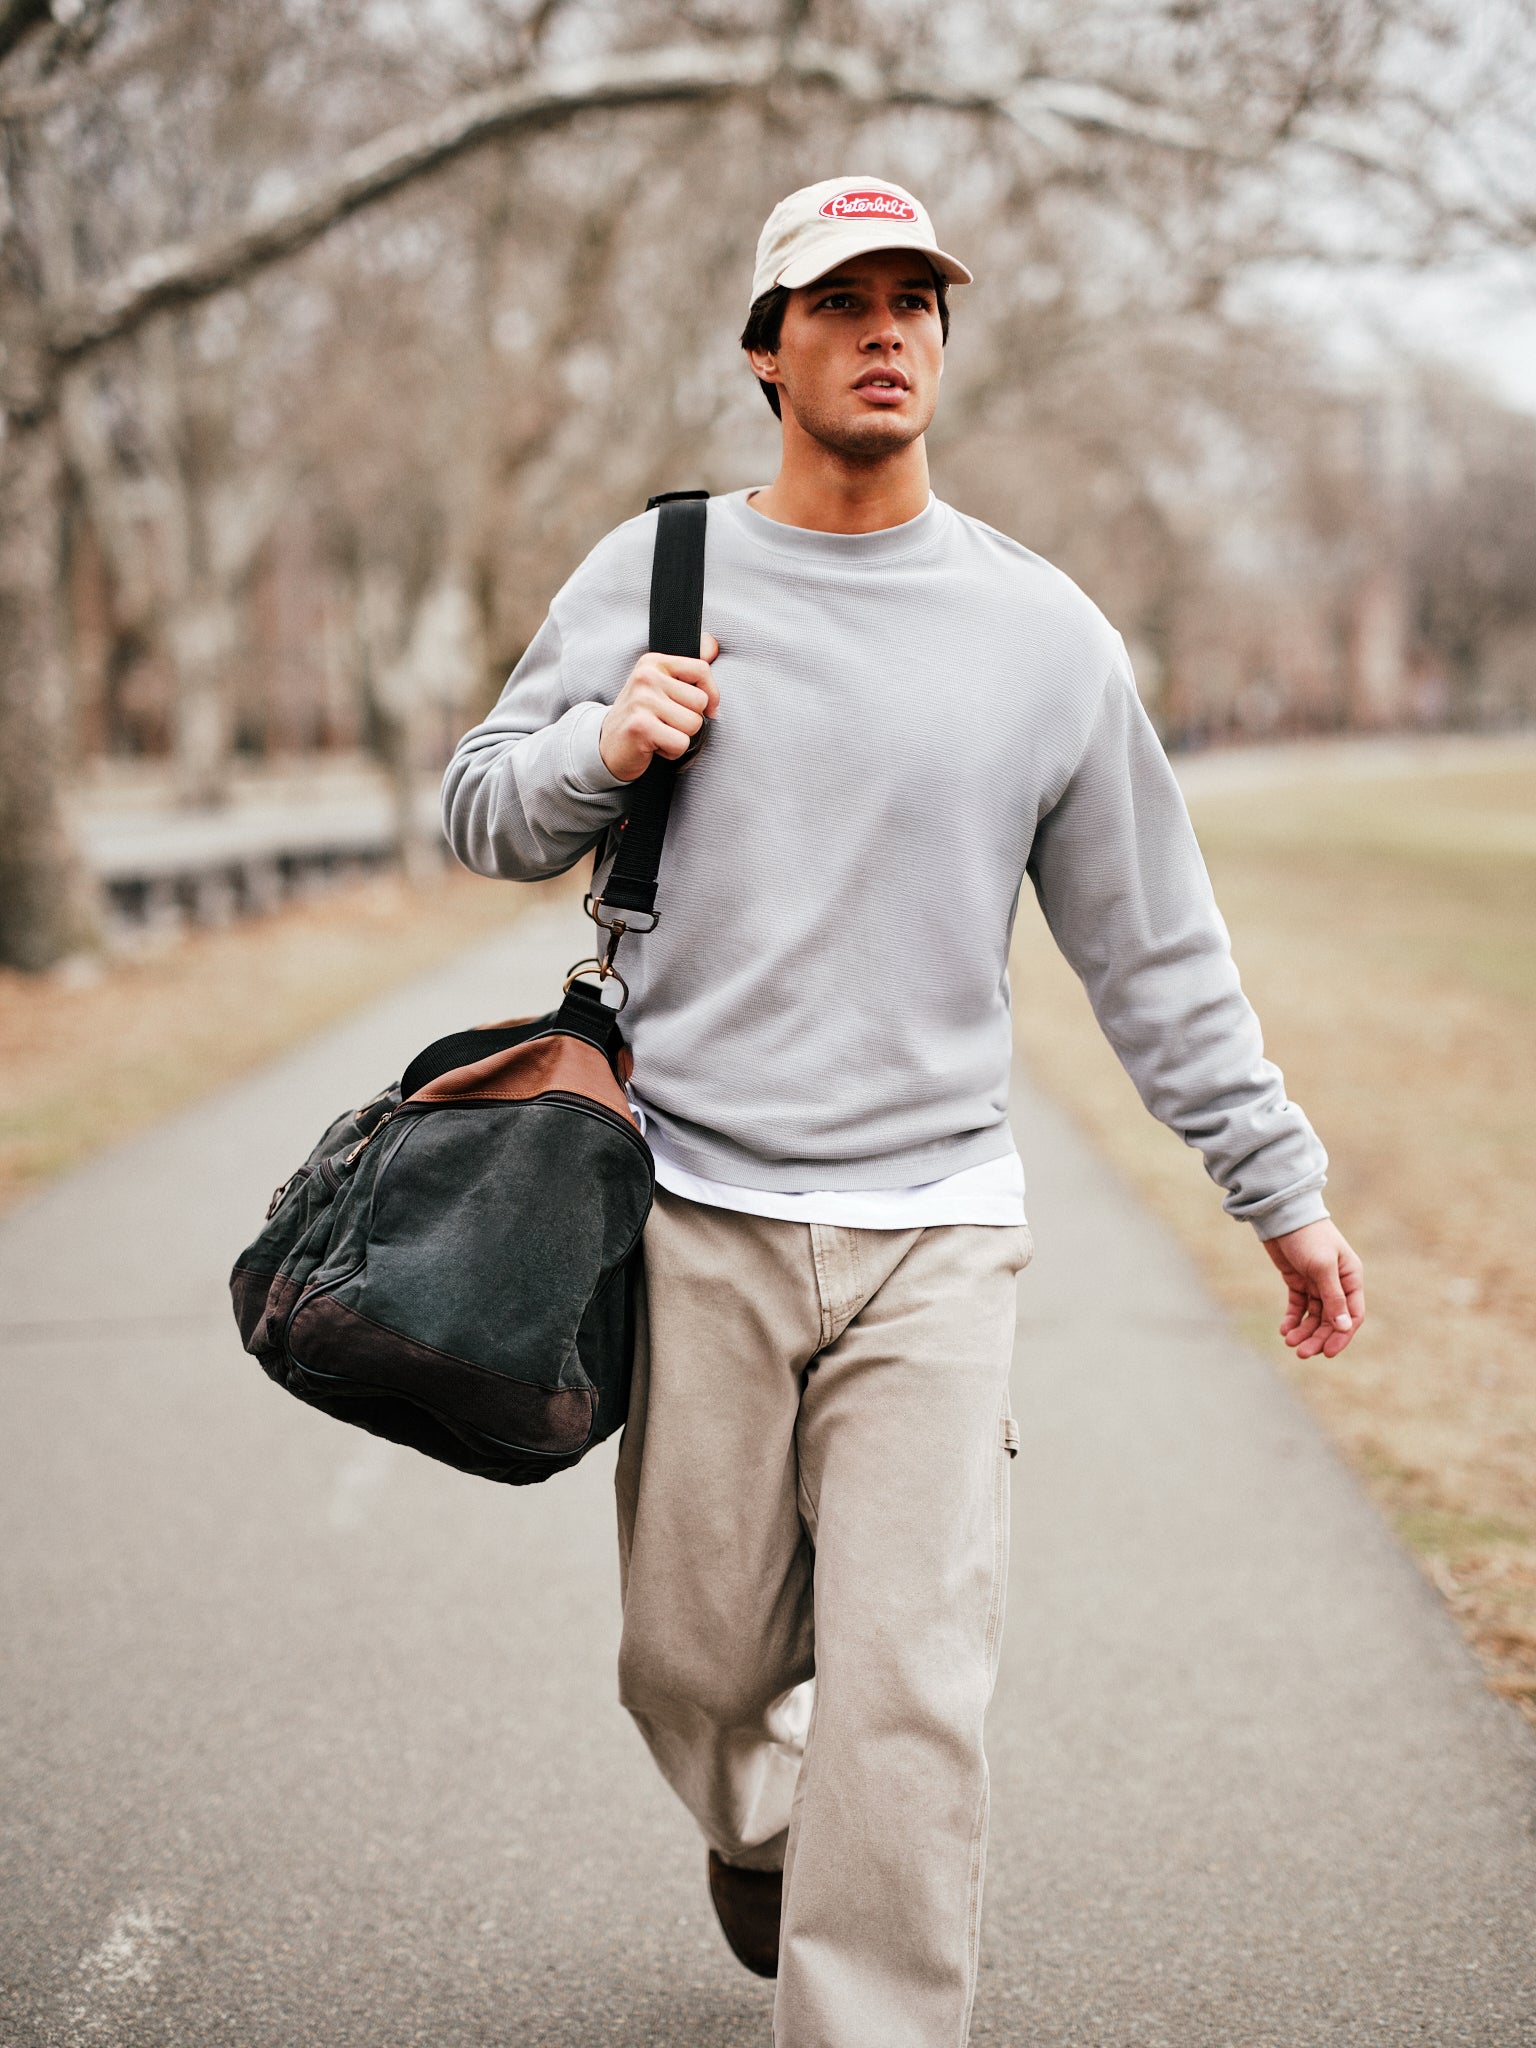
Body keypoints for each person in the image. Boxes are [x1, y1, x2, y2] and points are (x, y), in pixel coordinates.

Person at [441, 174, 1365, 2048]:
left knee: (912, 1685)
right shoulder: (661, 571)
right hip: (690, 1209)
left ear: (944, 339)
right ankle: (774, 1831)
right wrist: (597, 751)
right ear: (765, 348)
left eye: (914, 299)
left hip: (938, 1230)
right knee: (688, 1663)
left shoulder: (1045, 637)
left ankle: (868, 2009)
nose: (883, 329)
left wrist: (1281, 1188)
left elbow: (1155, 957)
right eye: (839, 299)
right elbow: (473, 807)